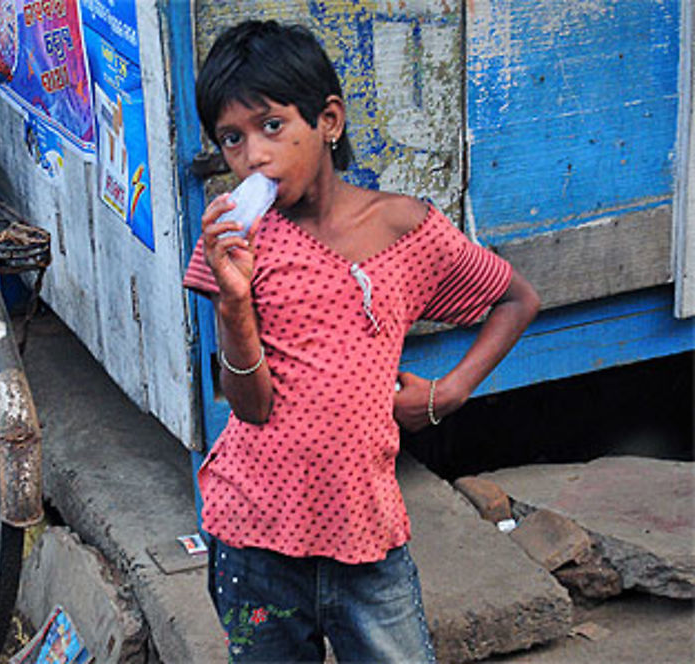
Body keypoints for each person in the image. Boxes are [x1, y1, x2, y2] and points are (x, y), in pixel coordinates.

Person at [182, 20, 540, 663]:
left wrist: (451, 390)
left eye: (271, 126)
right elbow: (250, 406)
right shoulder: (234, 246)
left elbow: (516, 299)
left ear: (328, 120)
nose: (253, 157)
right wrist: (234, 303)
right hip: (253, 539)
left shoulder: (407, 229)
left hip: (366, 537)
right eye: (231, 140)